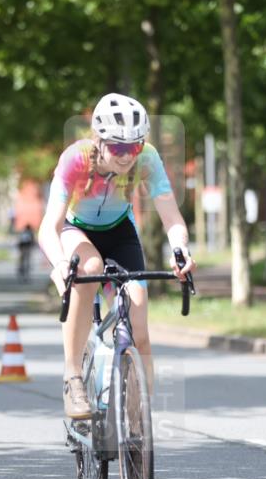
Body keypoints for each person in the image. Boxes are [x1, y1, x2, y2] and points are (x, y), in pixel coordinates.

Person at [38, 93, 196, 419]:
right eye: (119, 148)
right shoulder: (75, 160)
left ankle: (138, 426)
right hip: (76, 229)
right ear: (98, 140)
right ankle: (73, 377)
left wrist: (180, 251)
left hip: (119, 230)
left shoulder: (147, 159)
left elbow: (172, 219)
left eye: (135, 146)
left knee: (140, 331)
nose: (128, 157)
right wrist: (60, 265)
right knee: (90, 267)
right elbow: (47, 228)